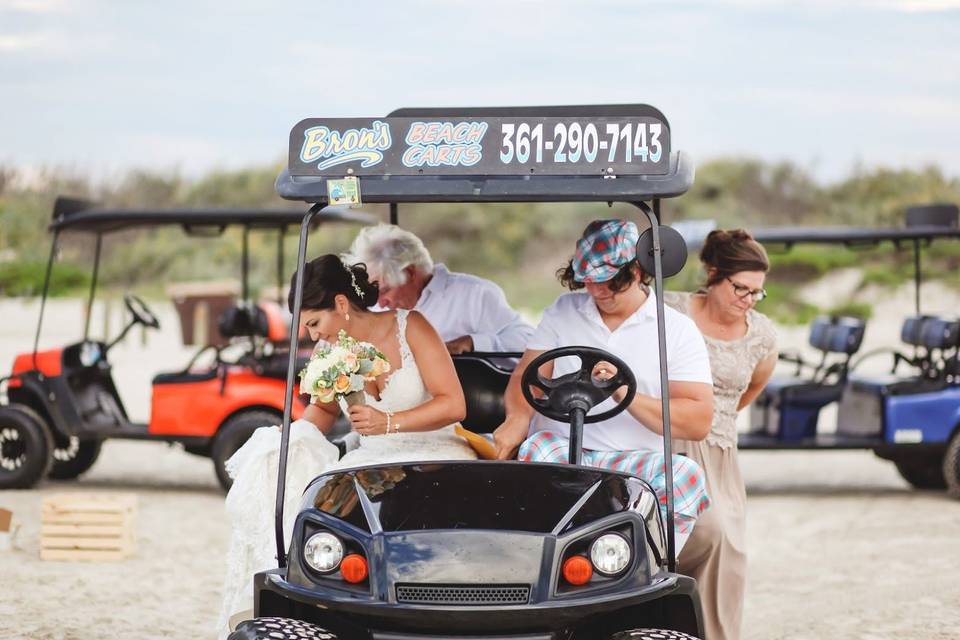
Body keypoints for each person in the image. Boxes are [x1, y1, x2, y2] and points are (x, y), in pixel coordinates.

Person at [217, 254, 475, 637]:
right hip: (370, 457)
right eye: (305, 328)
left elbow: (453, 404)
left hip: (433, 450)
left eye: (315, 323)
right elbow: (320, 411)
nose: (312, 335)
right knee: (298, 480)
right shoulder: (328, 353)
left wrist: (389, 422)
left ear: (341, 304)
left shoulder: (411, 327)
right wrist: (289, 444)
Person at [493, 219, 715, 550]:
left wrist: (623, 391)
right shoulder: (562, 311)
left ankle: (648, 560)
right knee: (534, 448)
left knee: (685, 475)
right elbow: (528, 379)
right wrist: (517, 419)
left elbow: (698, 421)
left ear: (637, 271)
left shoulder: (676, 329)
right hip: (562, 451)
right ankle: (539, 553)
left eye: (609, 282)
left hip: (633, 461)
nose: (597, 291)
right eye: (588, 282)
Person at [663, 229, 777, 640]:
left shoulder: (761, 335)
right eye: (740, 289)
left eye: (756, 293)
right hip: (663, 441)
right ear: (713, 274)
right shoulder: (670, 311)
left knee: (728, 554)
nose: (747, 300)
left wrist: (716, 420)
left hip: (719, 452)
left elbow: (750, 388)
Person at [346, 224, 534, 355]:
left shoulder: (475, 294)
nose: (379, 302)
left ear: (411, 273)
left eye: (385, 290)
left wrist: (473, 343)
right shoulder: (374, 310)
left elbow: (527, 341)